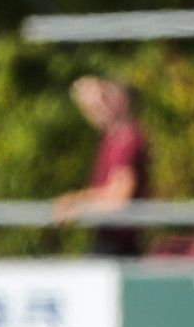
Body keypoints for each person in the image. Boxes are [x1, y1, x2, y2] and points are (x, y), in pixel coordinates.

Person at [53, 75, 150, 257]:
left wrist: (76, 204)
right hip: (109, 241)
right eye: (88, 107)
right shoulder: (111, 139)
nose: (95, 111)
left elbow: (119, 198)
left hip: (118, 246)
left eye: (102, 100)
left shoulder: (126, 139)